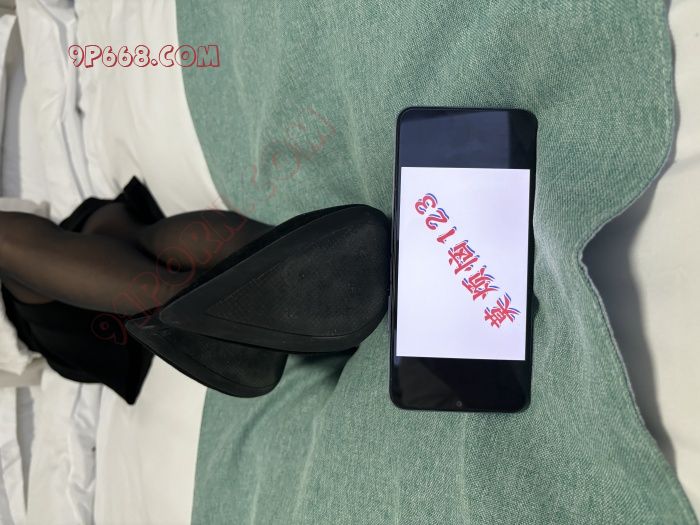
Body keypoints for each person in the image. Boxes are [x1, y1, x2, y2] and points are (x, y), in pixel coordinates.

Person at [0, 178, 389, 403]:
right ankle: (278, 270)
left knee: (127, 238)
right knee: (134, 237)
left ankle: (217, 312)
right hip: (68, 308)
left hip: (79, 240)